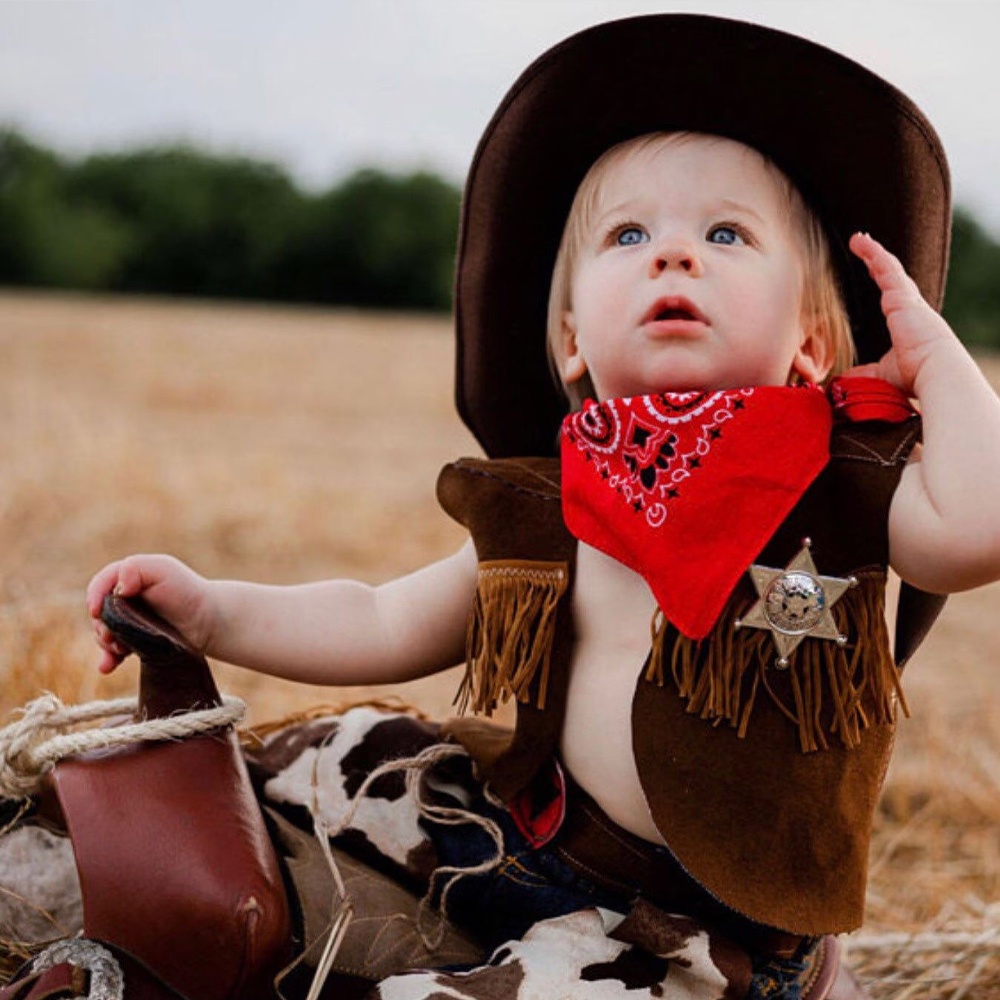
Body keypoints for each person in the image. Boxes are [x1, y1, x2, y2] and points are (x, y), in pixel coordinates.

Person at [84, 14, 1000, 1000]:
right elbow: (383, 616)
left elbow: (979, 527)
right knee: (345, 758)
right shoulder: (561, 497)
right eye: (628, 234)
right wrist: (214, 611)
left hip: (697, 933)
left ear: (813, 341)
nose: (673, 256)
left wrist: (936, 358)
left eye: (725, 233)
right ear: (571, 337)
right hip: (520, 839)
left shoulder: (846, 489)